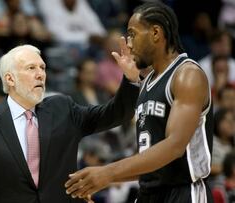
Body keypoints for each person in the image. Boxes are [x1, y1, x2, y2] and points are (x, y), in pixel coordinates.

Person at [0, 44, 140, 203]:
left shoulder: (63, 108)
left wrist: (131, 80)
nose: (40, 74)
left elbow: (114, 114)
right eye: (31, 68)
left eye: (42, 68)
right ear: (10, 79)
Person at [65, 2, 213, 203]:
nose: (129, 43)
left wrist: (108, 172)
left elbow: (174, 146)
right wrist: (102, 180)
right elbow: (149, 160)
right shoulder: (147, 83)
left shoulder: (187, 75)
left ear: (155, 33)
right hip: (148, 193)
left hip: (183, 193)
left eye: (133, 34)